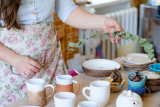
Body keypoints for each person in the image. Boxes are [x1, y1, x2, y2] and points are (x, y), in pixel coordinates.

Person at [0, 0, 123, 106]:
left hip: (51, 66)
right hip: (10, 70)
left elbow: (67, 9)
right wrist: (14, 59)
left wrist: (102, 22)